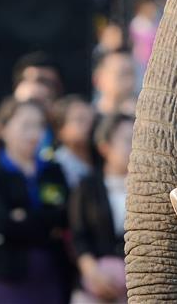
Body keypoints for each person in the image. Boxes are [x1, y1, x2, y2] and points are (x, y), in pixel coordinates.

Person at [0, 99, 70, 304]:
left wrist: (23, 217)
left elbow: (63, 216)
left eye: (39, 126)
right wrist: (45, 224)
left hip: (52, 270)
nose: (34, 133)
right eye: (26, 125)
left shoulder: (52, 170)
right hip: (8, 274)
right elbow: (0, 222)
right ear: (2, 128)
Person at [69, 114, 133, 303]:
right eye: (127, 140)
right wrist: (94, 274)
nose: (134, 146)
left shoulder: (149, 188)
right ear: (105, 146)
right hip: (92, 289)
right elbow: (78, 236)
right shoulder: (86, 186)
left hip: (135, 289)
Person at [53, 96, 96, 189]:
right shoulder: (56, 166)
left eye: (91, 120)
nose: (88, 125)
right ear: (60, 129)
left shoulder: (102, 160)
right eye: (80, 120)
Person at [92, 51, 137, 116]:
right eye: (123, 74)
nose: (130, 81)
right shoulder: (88, 120)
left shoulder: (140, 117)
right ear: (98, 78)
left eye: (132, 74)